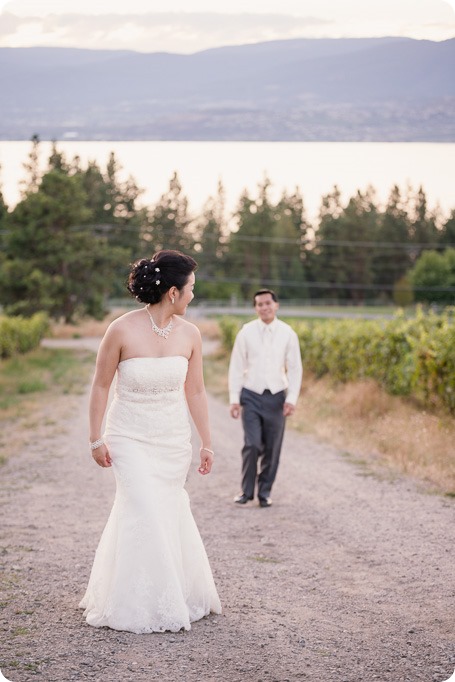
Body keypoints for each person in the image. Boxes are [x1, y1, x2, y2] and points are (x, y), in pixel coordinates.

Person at [79, 249, 221, 634]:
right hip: (128, 435)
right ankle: (140, 605)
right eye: (191, 288)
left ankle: (170, 592)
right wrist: (96, 439)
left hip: (172, 439)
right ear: (173, 293)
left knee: (164, 509)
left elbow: (195, 392)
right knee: (143, 507)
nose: (194, 295)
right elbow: (101, 385)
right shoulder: (121, 329)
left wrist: (206, 442)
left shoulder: (191, 335)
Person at [228, 289, 303, 507]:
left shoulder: (288, 333)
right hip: (250, 394)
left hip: (277, 396)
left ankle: (264, 493)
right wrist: (234, 398)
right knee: (251, 445)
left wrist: (292, 399)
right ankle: (246, 491)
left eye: (268, 303)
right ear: (255, 308)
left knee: (272, 447)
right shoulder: (246, 332)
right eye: (260, 304)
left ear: (276, 305)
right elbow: (236, 367)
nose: (264, 307)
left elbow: (295, 368)